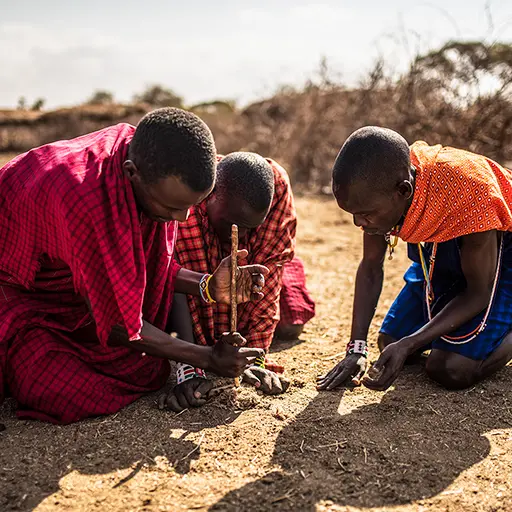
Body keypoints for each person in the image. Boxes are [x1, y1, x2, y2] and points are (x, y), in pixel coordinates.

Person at [0, 107, 268, 424]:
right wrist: (206, 357)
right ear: (131, 173)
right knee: (61, 390)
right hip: (22, 295)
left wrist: (207, 286)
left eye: (189, 207)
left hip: (76, 291)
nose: (181, 219)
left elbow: (144, 267)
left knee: (146, 370)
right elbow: (118, 324)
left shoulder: (148, 163)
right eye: (171, 207)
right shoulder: (87, 201)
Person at [317, 126, 512, 392]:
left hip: (499, 253)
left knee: (450, 368)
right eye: (352, 213)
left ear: (404, 190)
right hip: (447, 251)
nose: (358, 223)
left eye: (365, 214)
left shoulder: (472, 195)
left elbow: (478, 293)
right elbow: (371, 268)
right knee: (390, 341)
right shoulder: (381, 192)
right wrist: (356, 349)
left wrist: (411, 343)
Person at [170, 152, 315, 411]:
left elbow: (269, 266)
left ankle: (294, 271)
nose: (241, 235)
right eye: (234, 225)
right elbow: (174, 274)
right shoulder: (186, 195)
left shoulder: (277, 187)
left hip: (264, 259)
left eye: (250, 228)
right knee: (206, 334)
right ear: (210, 194)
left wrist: (256, 355)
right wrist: (189, 364)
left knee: (292, 322)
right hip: (201, 273)